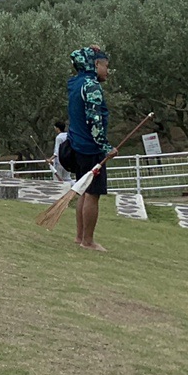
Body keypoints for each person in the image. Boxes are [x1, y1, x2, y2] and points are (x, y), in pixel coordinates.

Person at [59, 45, 111, 252]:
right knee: (92, 194)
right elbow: (94, 120)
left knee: (83, 190)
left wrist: (87, 48)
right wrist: (106, 147)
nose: (107, 71)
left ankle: (79, 237)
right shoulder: (91, 86)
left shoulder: (74, 83)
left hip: (76, 144)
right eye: (106, 66)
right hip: (91, 149)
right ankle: (88, 241)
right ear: (96, 64)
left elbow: (74, 55)